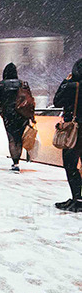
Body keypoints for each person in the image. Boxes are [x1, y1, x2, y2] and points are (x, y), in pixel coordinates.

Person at [52, 58, 82, 212]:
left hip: (75, 130)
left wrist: (65, 81)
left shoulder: (72, 86)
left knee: (70, 165)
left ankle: (77, 198)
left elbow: (56, 101)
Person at [0, 63, 30, 172]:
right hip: (22, 114)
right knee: (19, 137)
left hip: (8, 114)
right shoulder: (22, 84)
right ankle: (18, 159)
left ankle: (15, 162)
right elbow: (29, 101)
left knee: (12, 138)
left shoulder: (0, 85)